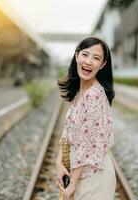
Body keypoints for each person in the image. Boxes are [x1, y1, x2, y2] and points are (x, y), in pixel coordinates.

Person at [56, 36, 116, 200]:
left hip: (94, 179)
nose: (88, 61)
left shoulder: (94, 95)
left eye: (96, 58)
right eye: (85, 54)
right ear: (76, 56)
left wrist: (72, 184)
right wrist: (59, 162)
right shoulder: (79, 93)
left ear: (103, 65)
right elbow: (68, 130)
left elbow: (86, 147)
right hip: (81, 173)